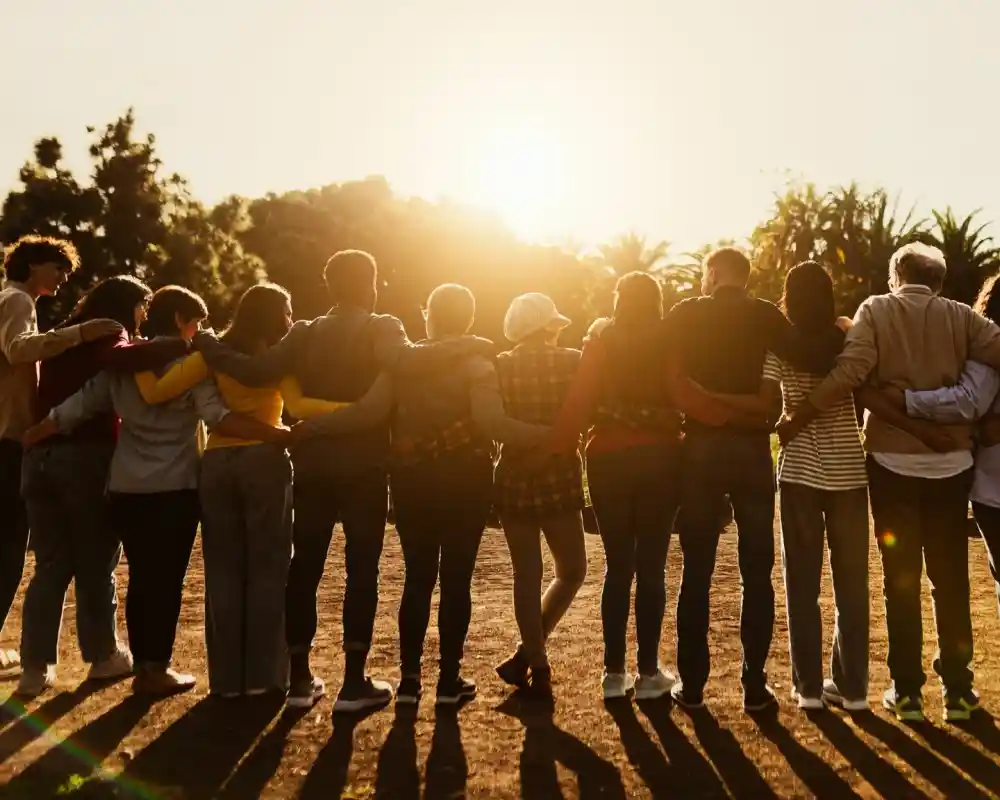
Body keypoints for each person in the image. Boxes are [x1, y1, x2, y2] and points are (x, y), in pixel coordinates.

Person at [192, 251, 489, 711]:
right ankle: (353, 683)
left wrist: (208, 344)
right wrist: (467, 344)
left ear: (329, 286)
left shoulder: (304, 332)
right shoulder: (383, 326)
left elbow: (253, 371)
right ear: (371, 284)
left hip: (312, 467)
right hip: (365, 467)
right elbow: (405, 363)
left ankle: (299, 680)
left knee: (304, 567)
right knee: (361, 571)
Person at [22, 286, 285, 696]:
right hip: (174, 488)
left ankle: (143, 665)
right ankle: (154, 669)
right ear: (182, 320)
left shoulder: (122, 366)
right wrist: (277, 433)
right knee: (165, 582)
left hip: (126, 488)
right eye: (196, 322)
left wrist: (32, 435)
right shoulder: (189, 366)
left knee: (142, 578)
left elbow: (77, 406)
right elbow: (218, 416)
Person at [297, 283, 550, 706]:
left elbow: (370, 411)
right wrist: (550, 436)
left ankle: (410, 682)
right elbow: (491, 423)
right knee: (456, 582)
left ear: (429, 315)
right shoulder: (478, 364)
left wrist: (311, 426)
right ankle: (448, 681)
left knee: (417, 579)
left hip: (413, 481)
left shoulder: (404, 366)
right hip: (466, 479)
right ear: (468, 319)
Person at [780, 243, 1000, 723]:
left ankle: (907, 694)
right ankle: (959, 694)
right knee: (951, 581)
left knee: (900, 583)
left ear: (896, 275)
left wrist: (803, 411)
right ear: (938, 281)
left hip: (891, 464)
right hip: (952, 465)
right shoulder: (964, 317)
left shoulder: (875, 309)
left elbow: (853, 372)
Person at [132, 283, 344, 698]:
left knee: (224, 572)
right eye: (286, 310)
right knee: (268, 571)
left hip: (216, 466)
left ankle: (228, 682)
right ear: (272, 316)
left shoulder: (207, 355)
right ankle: (266, 678)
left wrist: (132, 352)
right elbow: (299, 405)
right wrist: (349, 413)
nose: (289, 319)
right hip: (264, 461)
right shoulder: (277, 358)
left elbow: (157, 391)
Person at [543, 272, 738, 701]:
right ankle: (649, 673)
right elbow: (680, 392)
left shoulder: (600, 341)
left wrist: (554, 448)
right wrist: (727, 414)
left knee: (617, 567)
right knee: (650, 566)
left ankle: (614, 675)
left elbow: (580, 399)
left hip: (607, 460)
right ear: (656, 301)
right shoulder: (666, 339)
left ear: (618, 300)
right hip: (659, 459)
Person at [665, 247, 842, 713]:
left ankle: (694, 686)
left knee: (696, 570)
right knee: (756, 571)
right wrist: (846, 332)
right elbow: (809, 354)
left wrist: (708, 407)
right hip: (751, 451)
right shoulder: (764, 314)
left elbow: (661, 366)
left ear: (714, 273)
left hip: (701, 449)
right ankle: (754, 685)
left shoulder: (685, 313)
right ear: (743, 278)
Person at [17, 276, 188, 697]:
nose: (143, 317)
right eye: (141, 308)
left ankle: (34, 668)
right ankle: (104, 655)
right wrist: (188, 344)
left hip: (41, 457)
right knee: (97, 560)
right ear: (128, 305)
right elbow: (122, 360)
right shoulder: (109, 332)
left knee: (51, 566)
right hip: (84, 456)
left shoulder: (68, 335)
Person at [717, 263, 871, 712]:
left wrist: (782, 420)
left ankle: (807, 690)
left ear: (788, 297)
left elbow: (768, 402)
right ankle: (854, 688)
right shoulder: (847, 338)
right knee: (852, 584)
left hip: (801, 470)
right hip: (848, 471)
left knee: (801, 584)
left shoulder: (779, 345)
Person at [0, 235, 122, 679]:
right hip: (12, 440)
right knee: (12, 550)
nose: (64, 278)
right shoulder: (16, 301)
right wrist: (81, 333)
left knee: (23, 552)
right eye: (59, 268)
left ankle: (30, 662)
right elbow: (18, 349)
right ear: (33, 265)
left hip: (14, 439)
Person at [490, 293, 587, 695]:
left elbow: (495, 422)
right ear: (549, 326)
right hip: (559, 473)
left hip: (512, 473)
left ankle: (535, 660)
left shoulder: (498, 365)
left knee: (526, 575)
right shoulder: (571, 361)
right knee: (572, 570)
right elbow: (581, 415)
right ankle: (528, 654)